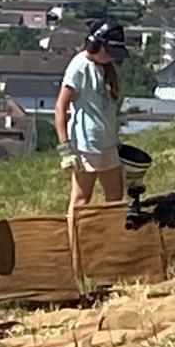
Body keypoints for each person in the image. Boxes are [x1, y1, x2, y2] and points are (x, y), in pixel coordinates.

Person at [54, 20, 128, 233]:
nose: (112, 57)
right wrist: (65, 148)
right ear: (95, 45)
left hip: (108, 143)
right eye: (109, 51)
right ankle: (74, 242)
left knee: (115, 198)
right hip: (87, 145)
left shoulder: (106, 68)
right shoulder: (79, 66)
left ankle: (110, 237)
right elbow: (60, 108)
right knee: (81, 200)